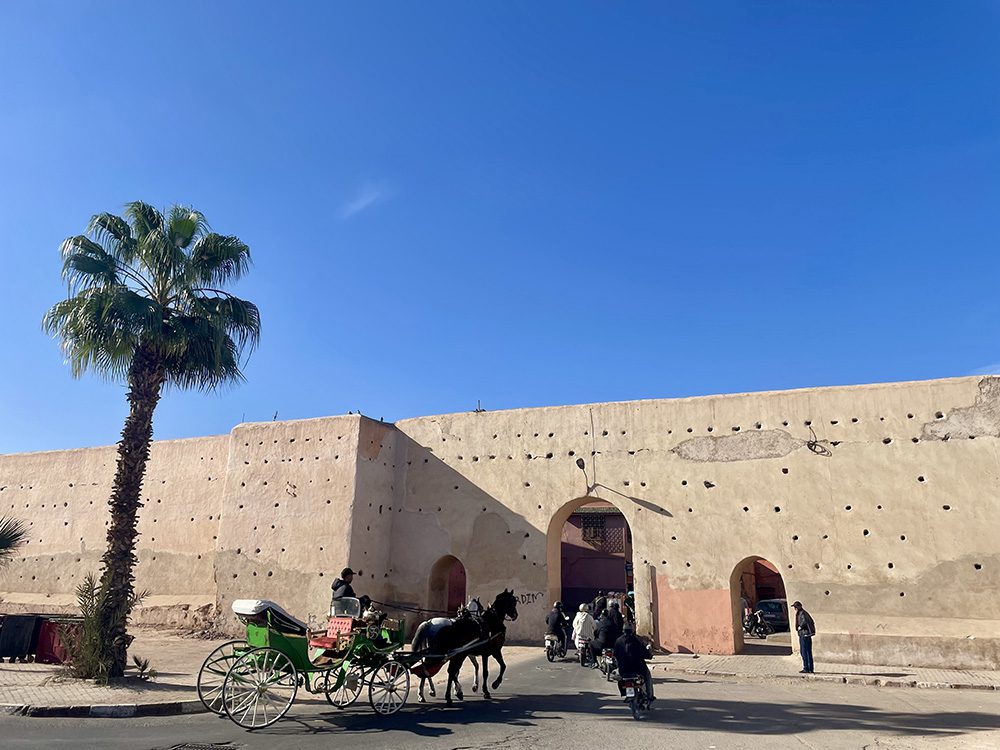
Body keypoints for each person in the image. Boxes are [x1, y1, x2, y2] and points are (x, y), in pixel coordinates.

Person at [613, 622, 654, 701]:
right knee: (647, 675)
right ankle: (650, 695)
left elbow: (615, 655)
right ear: (632, 630)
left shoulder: (618, 641)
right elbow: (645, 653)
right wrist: (649, 655)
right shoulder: (637, 640)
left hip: (623, 669)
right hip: (638, 668)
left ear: (623, 630)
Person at [792, 600, 816, 673]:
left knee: (804, 651)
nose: (794, 609)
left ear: (798, 607)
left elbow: (804, 621)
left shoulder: (802, 613)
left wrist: (800, 627)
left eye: (795, 607)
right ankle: (810, 668)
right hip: (805, 634)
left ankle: (807, 668)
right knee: (807, 651)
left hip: (804, 634)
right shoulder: (803, 613)